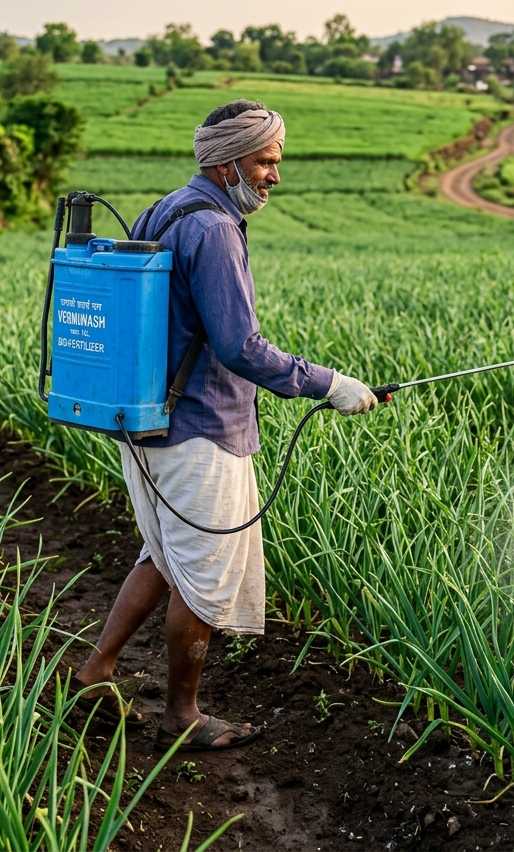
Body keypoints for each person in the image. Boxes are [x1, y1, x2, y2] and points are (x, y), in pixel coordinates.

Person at [72, 100, 377, 751]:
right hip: (201, 432)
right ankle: (181, 716)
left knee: (163, 556)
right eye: (265, 161)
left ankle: (95, 671)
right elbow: (240, 345)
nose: (274, 175)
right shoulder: (214, 229)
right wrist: (330, 384)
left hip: (148, 424)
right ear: (227, 162)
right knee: (204, 578)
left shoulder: (165, 210)